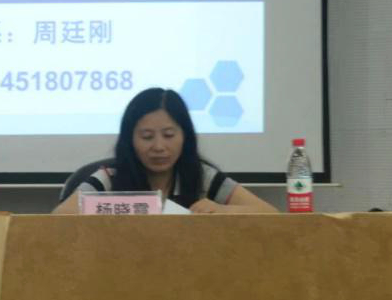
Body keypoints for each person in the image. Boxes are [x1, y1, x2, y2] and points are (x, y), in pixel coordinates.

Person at [54, 88, 277, 214]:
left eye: (169, 135)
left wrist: (222, 211)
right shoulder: (109, 178)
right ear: (130, 140)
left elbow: (270, 214)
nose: (159, 146)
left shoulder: (203, 176)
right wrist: (126, 207)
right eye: (147, 137)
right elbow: (59, 218)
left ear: (185, 136)